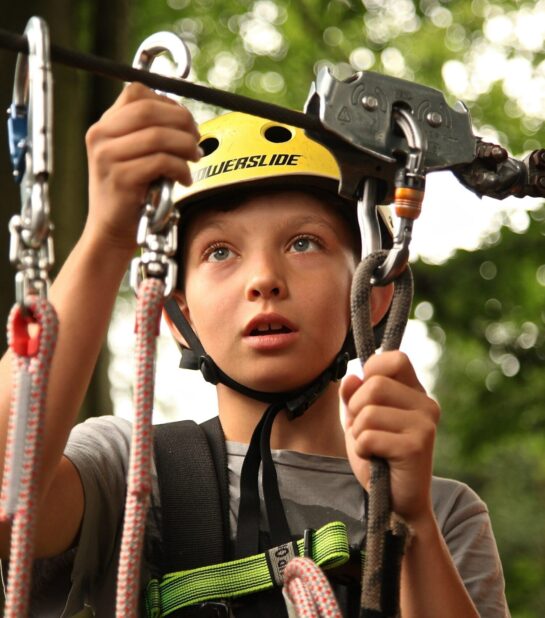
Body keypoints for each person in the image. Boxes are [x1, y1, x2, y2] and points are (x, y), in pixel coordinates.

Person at [0, 82, 510, 617]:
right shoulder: (129, 475)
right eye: (220, 251)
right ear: (180, 316)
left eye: (304, 243)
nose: (264, 278)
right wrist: (105, 237)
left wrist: (411, 529)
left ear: (373, 292)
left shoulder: (446, 514)